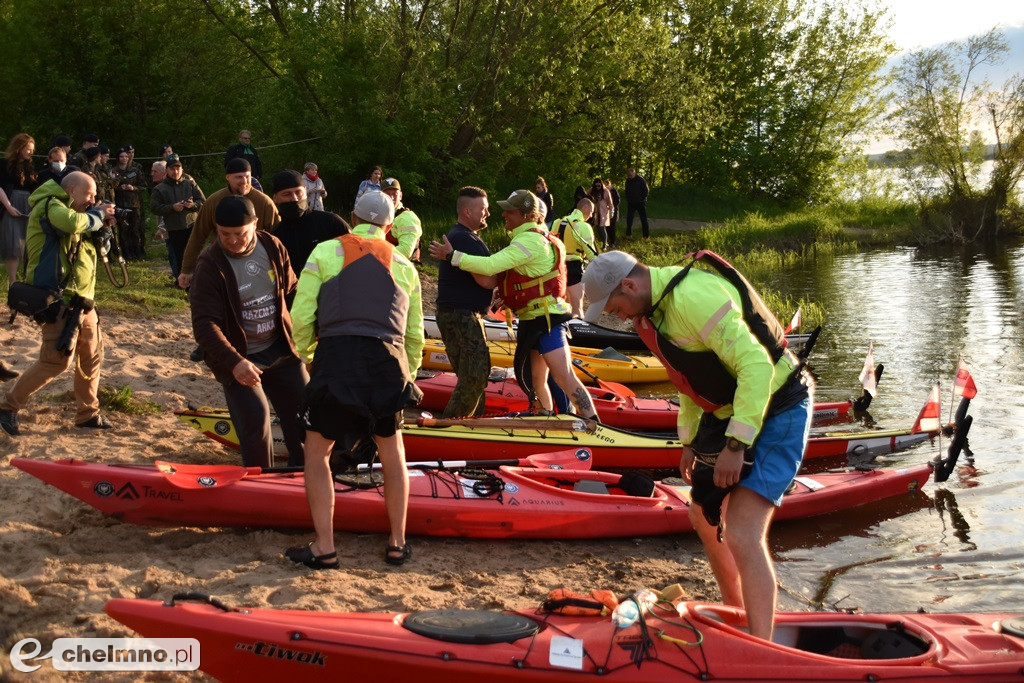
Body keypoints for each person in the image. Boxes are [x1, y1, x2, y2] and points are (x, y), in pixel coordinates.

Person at [581, 250, 813, 641]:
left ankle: (762, 644)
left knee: (741, 531)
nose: (613, 314)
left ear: (630, 284)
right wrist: (688, 440)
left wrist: (736, 446)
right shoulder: (649, 315)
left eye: (613, 305)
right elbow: (686, 378)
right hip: (731, 408)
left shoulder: (694, 298)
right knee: (703, 516)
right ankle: (738, 613)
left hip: (780, 403)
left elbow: (756, 365)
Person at [288, 189, 424, 569]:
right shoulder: (403, 264)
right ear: (389, 225)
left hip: (338, 357)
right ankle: (397, 543)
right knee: (392, 452)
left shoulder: (325, 252)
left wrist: (309, 357)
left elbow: (301, 316)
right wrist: (407, 375)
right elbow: (414, 334)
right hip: (388, 362)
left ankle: (325, 547)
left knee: (318, 454)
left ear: (352, 215)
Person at [428, 190, 598, 419]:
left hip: (547, 320)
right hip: (531, 320)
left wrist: (452, 256)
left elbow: (490, 268)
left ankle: (592, 421)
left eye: (510, 210)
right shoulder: (524, 238)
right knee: (535, 379)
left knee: (564, 375)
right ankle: (545, 413)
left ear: (527, 215)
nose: (503, 214)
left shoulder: (530, 240)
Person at [188, 195, 307, 468]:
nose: (231, 240)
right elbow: (205, 326)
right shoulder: (210, 265)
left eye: (239, 234)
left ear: (255, 224)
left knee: (304, 414)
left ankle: (304, 473)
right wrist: (235, 363)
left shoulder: (272, 246)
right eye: (223, 234)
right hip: (240, 356)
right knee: (256, 418)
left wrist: (308, 336)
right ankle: (259, 483)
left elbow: (293, 292)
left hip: (281, 348)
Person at [0, 171, 116, 437]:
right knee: (55, 362)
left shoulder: (79, 215)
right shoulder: (51, 205)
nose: (93, 199)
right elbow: (71, 223)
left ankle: (88, 414)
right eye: (89, 194)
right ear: (72, 191)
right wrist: (97, 216)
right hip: (58, 299)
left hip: (84, 300)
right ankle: (7, 407)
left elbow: (92, 248)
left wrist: (104, 229)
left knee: (91, 358)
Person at [434, 186, 497, 418]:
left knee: (471, 377)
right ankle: (450, 428)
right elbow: (488, 280)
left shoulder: (463, 236)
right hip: (461, 316)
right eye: (483, 209)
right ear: (468, 211)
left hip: (458, 314)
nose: (487, 214)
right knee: (474, 376)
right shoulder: (464, 238)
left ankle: (471, 425)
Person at [177, 158, 280, 289]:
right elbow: (198, 236)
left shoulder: (264, 202)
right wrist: (186, 270)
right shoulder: (213, 201)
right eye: (239, 177)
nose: (244, 181)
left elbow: (278, 238)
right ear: (228, 177)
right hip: (223, 263)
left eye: (247, 176)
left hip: (256, 264)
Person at [269, 169, 349, 277]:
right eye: (287, 194)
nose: (294, 198)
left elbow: (355, 254)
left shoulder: (331, 222)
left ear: (305, 191)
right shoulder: (275, 236)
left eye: (298, 192)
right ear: (275, 198)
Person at [150, 154, 205, 280]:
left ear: (182, 170)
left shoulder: (189, 184)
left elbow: (203, 201)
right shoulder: (160, 189)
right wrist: (171, 208)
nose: (175, 172)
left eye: (178, 169)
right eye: (172, 169)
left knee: (196, 255)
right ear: (167, 171)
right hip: (174, 228)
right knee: (179, 257)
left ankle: (199, 280)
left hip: (192, 226)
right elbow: (154, 208)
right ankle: (183, 281)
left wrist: (193, 205)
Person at [1, 133, 38, 285]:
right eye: (28, 149)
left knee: (27, 244)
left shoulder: (31, 166)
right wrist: (8, 206)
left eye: (32, 149)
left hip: (28, 206)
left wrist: (34, 208)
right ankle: (12, 282)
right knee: (13, 245)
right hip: (10, 204)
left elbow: (35, 189)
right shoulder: (4, 163)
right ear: (19, 147)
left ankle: (26, 284)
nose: (31, 152)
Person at [553, 198, 598, 318]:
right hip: (574, 268)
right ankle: (578, 334)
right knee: (577, 307)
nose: (591, 215)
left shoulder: (557, 222)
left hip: (556, 268)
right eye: (591, 212)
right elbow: (591, 254)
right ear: (585, 209)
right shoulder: (583, 226)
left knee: (563, 307)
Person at [110, 147, 145, 260]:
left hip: (134, 204)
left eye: (126, 156)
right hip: (120, 204)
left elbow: (143, 186)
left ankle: (137, 253)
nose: (124, 158)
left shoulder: (135, 170)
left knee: (135, 230)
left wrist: (133, 187)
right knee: (123, 231)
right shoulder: (113, 171)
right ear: (118, 158)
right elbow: (109, 187)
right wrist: (119, 187)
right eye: (121, 156)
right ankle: (126, 253)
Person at [380, 177, 421, 262]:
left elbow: (405, 251)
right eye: (387, 194)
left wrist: (377, 254)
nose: (391, 198)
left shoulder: (407, 218)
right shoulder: (377, 215)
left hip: (401, 268)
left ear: (400, 196)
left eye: (394, 194)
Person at [625, 168, 650, 239]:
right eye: (628, 175)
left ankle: (646, 235)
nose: (630, 176)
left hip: (640, 203)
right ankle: (628, 234)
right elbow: (626, 190)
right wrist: (628, 198)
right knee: (629, 219)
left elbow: (646, 191)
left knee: (644, 219)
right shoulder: (628, 181)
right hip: (631, 203)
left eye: (630, 175)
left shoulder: (640, 180)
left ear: (634, 173)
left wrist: (642, 199)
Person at [591, 177, 612, 249]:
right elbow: (586, 194)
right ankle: (601, 242)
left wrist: (612, 212)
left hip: (604, 212)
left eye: (599, 186)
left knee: (602, 227)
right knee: (597, 227)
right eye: (595, 186)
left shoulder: (606, 191)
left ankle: (605, 244)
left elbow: (610, 203)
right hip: (595, 212)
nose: (597, 187)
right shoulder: (592, 190)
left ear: (601, 185)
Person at [605, 178, 620, 246]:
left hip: (613, 211)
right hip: (606, 211)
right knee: (607, 226)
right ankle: (608, 241)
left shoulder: (614, 191)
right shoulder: (604, 191)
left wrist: (611, 206)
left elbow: (617, 201)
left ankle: (613, 242)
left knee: (612, 226)